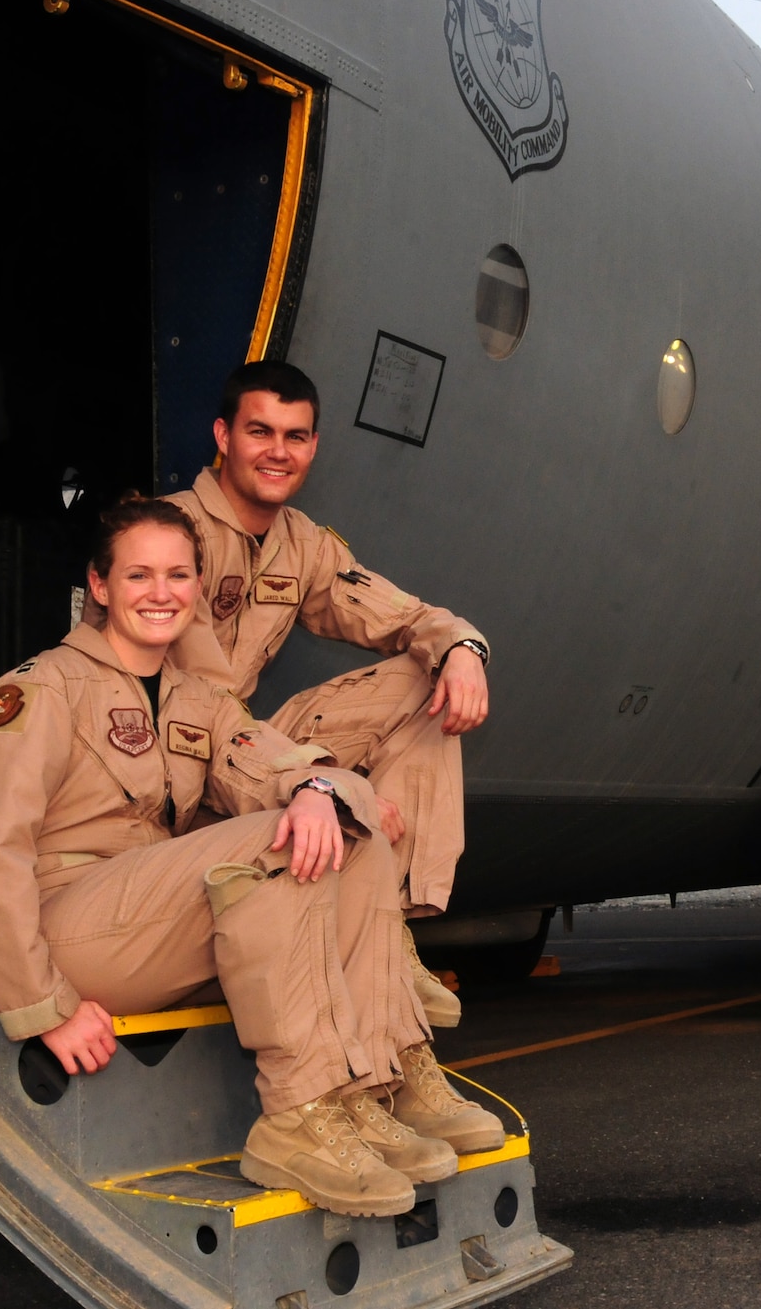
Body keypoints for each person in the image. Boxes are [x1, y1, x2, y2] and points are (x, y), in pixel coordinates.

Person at [0, 497, 503, 1218]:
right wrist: (42, 1006)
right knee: (278, 839)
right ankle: (296, 1115)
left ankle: (368, 1084)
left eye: (177, 575)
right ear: (101, 587)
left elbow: (264, 757)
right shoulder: (42, 690)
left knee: (345, 817)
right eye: (139, 575)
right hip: (70, 930)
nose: (161, 592)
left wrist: (315, 783)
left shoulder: (193, 698)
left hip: (147, 922)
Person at [162, 360, 491, 1028]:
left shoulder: (300, 544)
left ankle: (386, 930)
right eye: (261, 431)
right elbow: (208, 705)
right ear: (224, 436)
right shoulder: (170, 534)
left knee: (424, 677)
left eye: (296, 435)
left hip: (246, 748)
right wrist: (328, 780)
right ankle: (374, 940)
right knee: (300, 764)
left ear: (313, 446)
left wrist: (462, 648)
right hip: (175, 761)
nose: (278, 451)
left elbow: (401, 614)